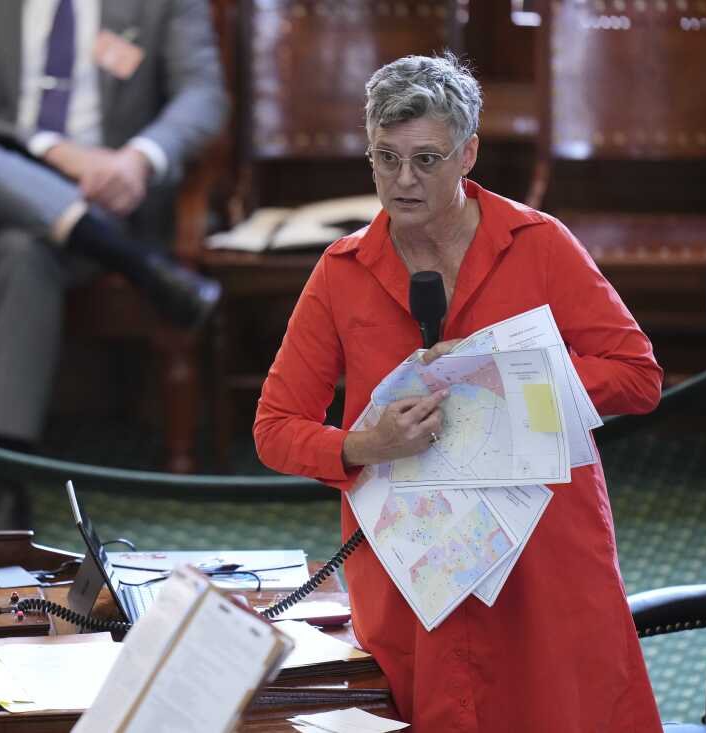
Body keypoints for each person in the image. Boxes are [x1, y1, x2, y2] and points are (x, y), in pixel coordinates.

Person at [253, 53, 663, 732]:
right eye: (385, 158)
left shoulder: (539, 244)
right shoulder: (342, 271)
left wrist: (506, 377)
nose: (402, 181)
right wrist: (362, 443)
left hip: (541, 554)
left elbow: (638, 375)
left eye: (427, 159)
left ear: (468, 153)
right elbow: (275, 426)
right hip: (417, 562)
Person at [0, 0, 228, 528]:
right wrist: (52, 150)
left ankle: (5, 476)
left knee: (25, 246)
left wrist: (138, 159)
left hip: (108, 199)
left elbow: (204, 96)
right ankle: (138, 265)